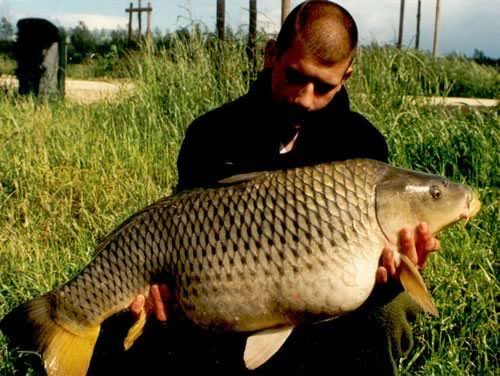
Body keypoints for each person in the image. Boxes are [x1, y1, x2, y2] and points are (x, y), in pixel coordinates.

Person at [91, 1, 439, 375]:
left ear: (347, 76)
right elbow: (178, 232)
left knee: (390, 310)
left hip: (326, 300)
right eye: (294, 76)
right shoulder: (212, 133)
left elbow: (368, 274)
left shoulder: (362, 144)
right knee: (128, 327)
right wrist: (162, 292)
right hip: (222, 292)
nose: (305, 97)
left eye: (323, 87)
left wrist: (393, 274)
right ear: (271, 54)